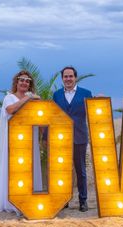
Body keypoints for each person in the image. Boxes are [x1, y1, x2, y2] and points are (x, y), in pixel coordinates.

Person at [0, 70, 43, 214]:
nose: (24, 83)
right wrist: (28, 98)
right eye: (22, 80)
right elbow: (10, 110)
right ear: (16, 82)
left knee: (29, 168)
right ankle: (12, 201)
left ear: (30, 85)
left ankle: (29, 197)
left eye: (28, 81)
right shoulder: (9, 98)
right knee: (14, 169)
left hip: (30, 138)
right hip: (13, 139)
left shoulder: (33, 99)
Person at [53, 66, 92, 212]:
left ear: (75, 78)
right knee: (62, 170)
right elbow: (53, 116)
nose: (68, 79)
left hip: (80, 137)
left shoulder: (86, 93)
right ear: (62, 78)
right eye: (65, 76)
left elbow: (93, 111)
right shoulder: (56, 95)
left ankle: (83, 200)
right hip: (61, 138)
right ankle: (64, 200)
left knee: (80, 170)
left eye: (70, 76)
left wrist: (100, 100)